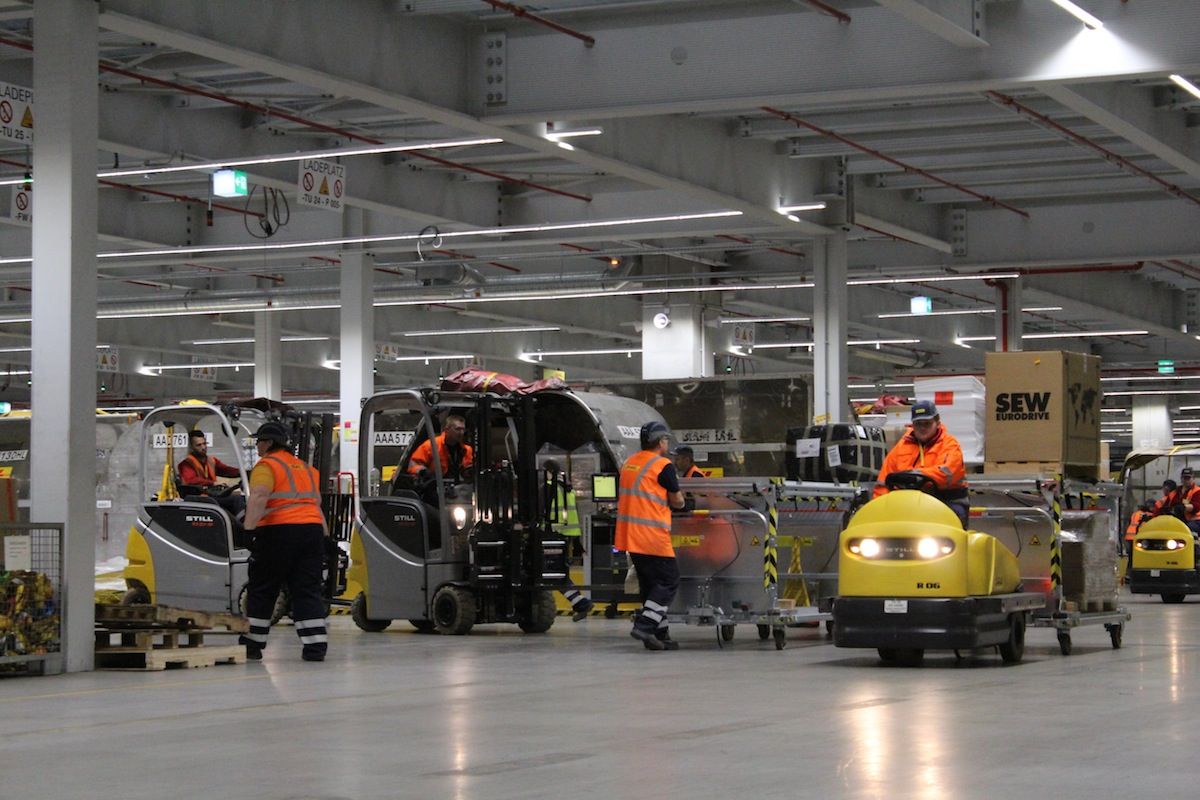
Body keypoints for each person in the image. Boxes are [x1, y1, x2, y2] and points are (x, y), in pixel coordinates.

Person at [238, 422, 329, 663]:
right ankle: (315, 646)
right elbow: (315, 505)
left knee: (264, 586)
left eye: (259, 441)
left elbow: (258, 496)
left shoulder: (267, 465)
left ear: (268, 443)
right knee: (307, 589)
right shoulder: (308, 469)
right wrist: (326, 536)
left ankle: (253, 644)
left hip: (280, 532)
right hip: (312, 531)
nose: (257, 445)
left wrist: (248, 529)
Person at [616, 420, 686, 651]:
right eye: (665, 439)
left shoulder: (629, 463)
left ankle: (659, 634)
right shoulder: (662, 465)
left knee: (650, 585)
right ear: (660, 441)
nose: (667, 443)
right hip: (652, 534)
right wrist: (682, 502)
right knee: (669, 580)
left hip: (630, 536)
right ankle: (645, 625)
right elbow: (677, 501)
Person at [873, 400, 969, 528]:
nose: (922, 428)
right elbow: (883, 481)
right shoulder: (901, 448)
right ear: (912, 425)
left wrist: (916, 475)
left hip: (946, 501)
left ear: (937, 423)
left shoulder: (950, 445)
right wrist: (878, 508)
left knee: (947, 529)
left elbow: (947, 473)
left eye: (927, 424)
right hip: (908, 503)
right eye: (918, 424)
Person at [544, 459, 593, 622]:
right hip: (568, 536)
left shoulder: (548, 487)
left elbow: (540, 511)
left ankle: (581, 603)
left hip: (552, 534)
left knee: (551, 572)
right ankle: (579, 602)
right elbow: (573, 515)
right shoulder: (568, 488)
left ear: (548, 471)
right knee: (558, 572)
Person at [178, 430, 246, 518]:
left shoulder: (211, 461)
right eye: (199, 445)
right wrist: (213, 483)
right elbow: (192, 480)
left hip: (213, 495)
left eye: (204, 443)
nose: (203, 447)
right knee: (237, 499)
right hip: (199, 498)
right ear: (191, 447)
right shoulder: (185, 464)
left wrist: (244, 472)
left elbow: (226, 470)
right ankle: (243, 525)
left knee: (242, 497)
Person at [408, 413, 474, 482]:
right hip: (435, 486)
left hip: (459, 488)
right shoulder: (431, 445)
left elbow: (468, 468)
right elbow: (414, 464)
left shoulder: (467, 449)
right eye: (458, 429)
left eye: (463, 429)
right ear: (447, 430)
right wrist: (423, 472)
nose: (461, 432)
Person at [1125, 501, 1154, 578]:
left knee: (1131, 557)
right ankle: (1135, 574)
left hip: (1129, 537)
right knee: (1138, 557)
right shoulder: (1149, 515)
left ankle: (1128, 574)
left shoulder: (1136, 513)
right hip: (1137, 537)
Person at [1177, 468, 1200, 536]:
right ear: (1181, 478)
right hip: (1182, 519)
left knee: (1189, 528)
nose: (1186, 480)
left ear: (1193, 478)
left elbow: (1196, 506)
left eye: (1188, 478)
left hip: (1197, 520)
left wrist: (1184, 507)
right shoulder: (1177, 491)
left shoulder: (1197, 491)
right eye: (1184, 478)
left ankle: (1195, 545)